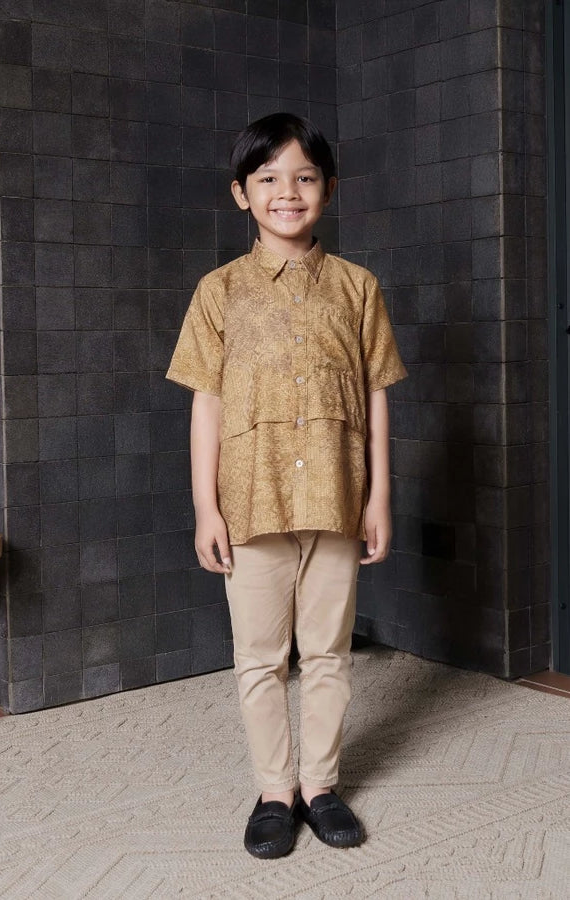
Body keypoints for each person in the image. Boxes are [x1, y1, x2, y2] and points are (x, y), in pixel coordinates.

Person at [166, 113, 407, 859]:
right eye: (267, 179)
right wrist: (206, 505)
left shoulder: (357, 288)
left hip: (336, 498)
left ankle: (320, 785)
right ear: (242, 194)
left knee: (329, 653)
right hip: (252, 502)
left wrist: (378, 498)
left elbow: (374, 395)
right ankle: (275, 790)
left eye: (303, 177)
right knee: (260, 657)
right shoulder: (219, 292)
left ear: (328, 190)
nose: (287, 192)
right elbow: (205, 400)